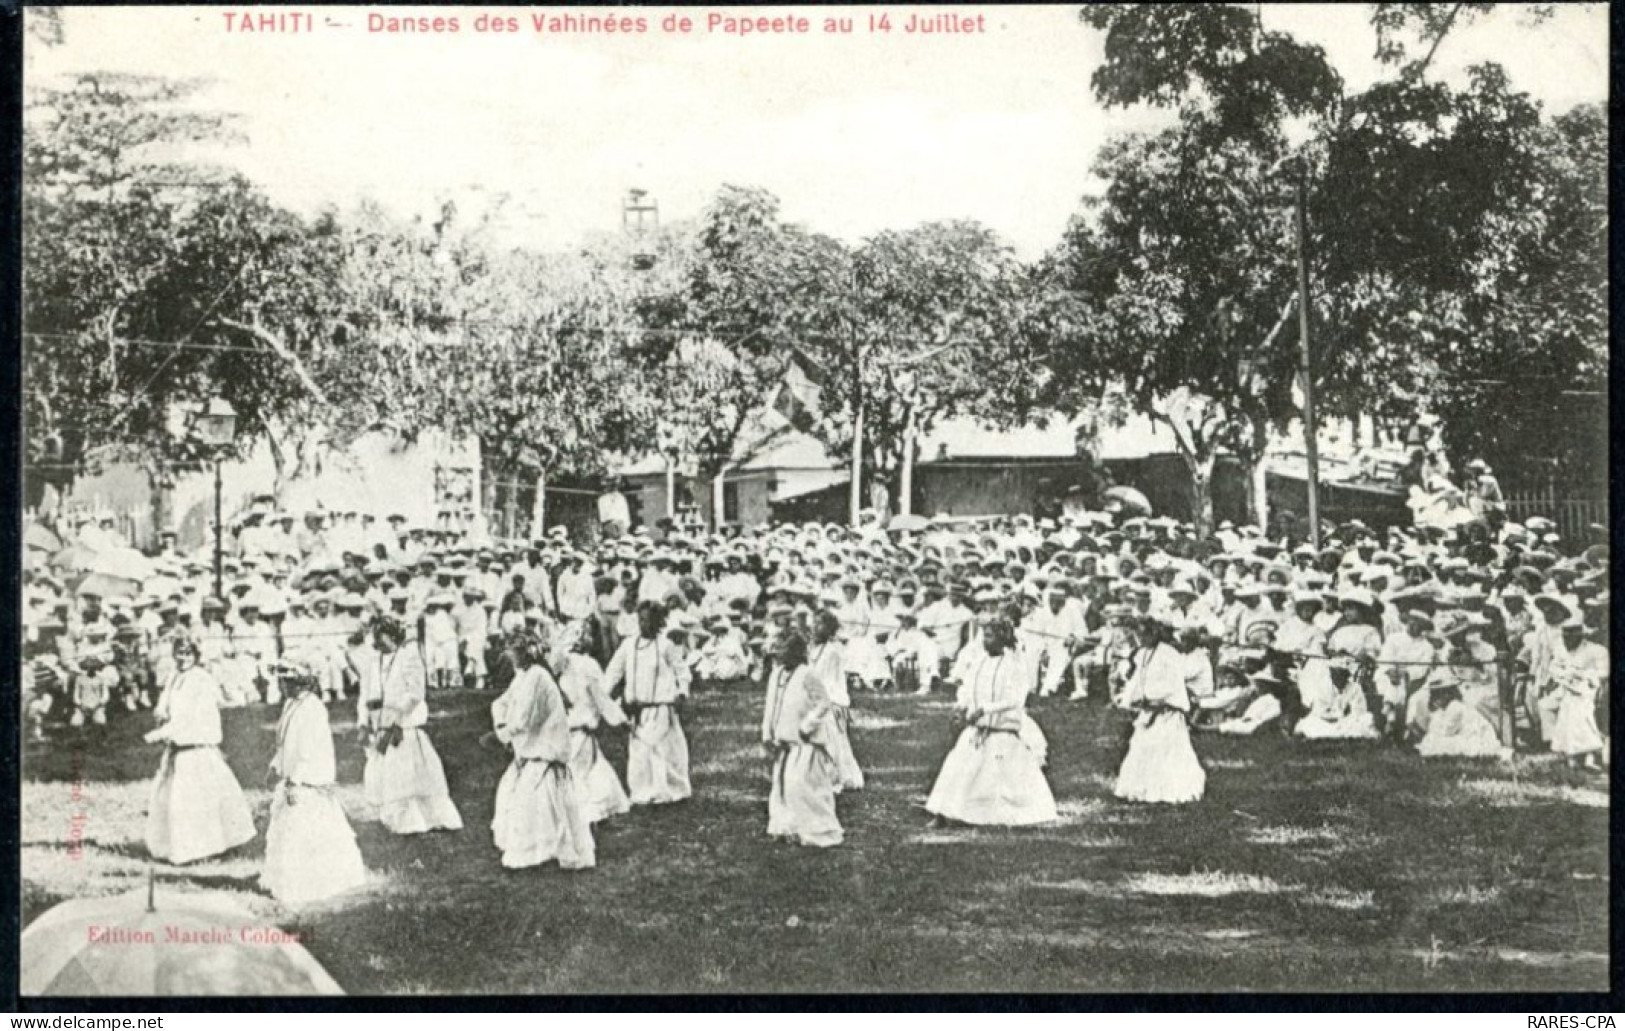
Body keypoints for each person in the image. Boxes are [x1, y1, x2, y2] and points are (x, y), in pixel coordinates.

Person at [925, 612, 1057, 826]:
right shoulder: (979, 661)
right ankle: (944, 814)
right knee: (958, 769)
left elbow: (1015, 699)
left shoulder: (1013, 665)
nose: (985, 641)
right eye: (983, 636)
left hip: (1001, 730)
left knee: (1002, 780)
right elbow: (968, 687)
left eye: (989, 637)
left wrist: (986, 709)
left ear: (1002, 638)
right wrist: (963, 706)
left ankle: (995, 815)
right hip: (977, 729)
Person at [143, 636, 257, 864]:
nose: (183, 658)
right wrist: (161, 713)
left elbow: (189, 717)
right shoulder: (174, 677)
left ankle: (206, 848)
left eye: (188, 653)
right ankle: (180, 848)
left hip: (196, 747)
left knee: (198, 801)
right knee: (174, 801)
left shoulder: (201, 679)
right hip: (178, 747)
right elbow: (164, 705)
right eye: (179, 653)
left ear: (195, 655)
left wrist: (161, 733)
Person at [262, 663, 368, 905]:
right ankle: (287, 882)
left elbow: (307, 749)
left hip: (308, 777)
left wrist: (294, 780)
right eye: (280, 679)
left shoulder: (313, 707)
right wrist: (275, 767)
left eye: (286, 679)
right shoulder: (290, 704)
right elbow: (284, 742)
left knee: (310, 829)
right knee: (289, 830)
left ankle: (315, 882)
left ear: (301, 681)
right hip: (292, 773)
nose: (281, 684)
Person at [489, 630, 595, 870]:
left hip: (544, 753)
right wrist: (501, 725)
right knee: (515, 799)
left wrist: (502, 734)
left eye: (515, 651)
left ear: (528, 652)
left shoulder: (538, 676)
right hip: (531, 752)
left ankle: (546, 852)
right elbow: (500, 703)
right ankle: (542, 851)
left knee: (532, 805)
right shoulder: (523, 676)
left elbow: (526, 719)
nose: (511, 656)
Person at [360, 616, 464, 834]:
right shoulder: (373, 661)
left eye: (383, 635)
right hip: (381, 723)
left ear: (394, 636)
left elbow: (415, 694)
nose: (379, 640)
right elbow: (366, 694)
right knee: (387, 775)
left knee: (411, 777)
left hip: (403, 725)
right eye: (377, 636)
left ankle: (420, 819)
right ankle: (394, 817)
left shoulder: (410, 657)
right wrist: (364, 721)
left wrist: (392, 711)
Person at [603, 600, 692, 805]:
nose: (645, 625)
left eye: (650, 620)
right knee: (640, 753)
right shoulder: (628, 645)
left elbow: (682, 672)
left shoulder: (666, 645)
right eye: (641, 620)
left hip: (661, 707)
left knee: (662, 751)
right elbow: (613, 672)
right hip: (637, 709)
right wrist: (603, 698)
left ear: (659, 622)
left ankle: (666, 790)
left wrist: (682, 693)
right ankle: (642, 791)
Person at [760, 628, 843, 848]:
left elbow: (824, 703)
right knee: (783, 787)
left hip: (805, 743)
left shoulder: (808, 673)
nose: (777, 654)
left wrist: (808, 725)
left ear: (795, 651)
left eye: (782, 649)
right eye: (775, 649)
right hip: (783, 742)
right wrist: (767, 733)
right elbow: (770, 706)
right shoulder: (776, 675)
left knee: (803, 787)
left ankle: (818, 830)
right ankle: (788, 827)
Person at [1113, 614, 1205, 804]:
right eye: (1138, 636)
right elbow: (1138, 679)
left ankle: (1169, 789)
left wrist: (1154, 699)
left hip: (1167, 711)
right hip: (1148, 710)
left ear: (1155, 633)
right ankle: (1141, 788)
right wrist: (1130, 699)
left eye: (1144, 635)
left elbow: (1173, 683)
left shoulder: (1169, 654)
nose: (1141, 639)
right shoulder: (1142, 653)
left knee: (1166, 750)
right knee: (1141, 747)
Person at [555, 624, 632, 824]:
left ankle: (580, 811)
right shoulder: (588, 666)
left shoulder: (560, 667)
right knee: (584, 771)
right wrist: (620, 720)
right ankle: (588, 811)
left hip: (569, 728)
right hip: (581, 727)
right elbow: (601, 699)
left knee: (581, 770)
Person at [809, 610, 864, 792]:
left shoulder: (834, 651)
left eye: (820, 624)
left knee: (833, 737)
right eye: (814, 624)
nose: (816, 628)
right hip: (817, 697)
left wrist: (829, 701)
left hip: (832, 699)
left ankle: (835, 775)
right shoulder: (815, 649)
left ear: (829, 628)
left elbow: (832, 681)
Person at [1415, 684, 1506, 758]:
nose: (1436, 699)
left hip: (1477, 736)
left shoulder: (1456, 706)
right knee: (1433, 740)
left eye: (1440, 695)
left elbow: (1446, 731)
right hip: (1462, 734)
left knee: (1439, 743)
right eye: (1434, 695)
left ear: (1448, 694)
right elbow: (1435, 728)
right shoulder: (1443, 710)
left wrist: (1436, 730)